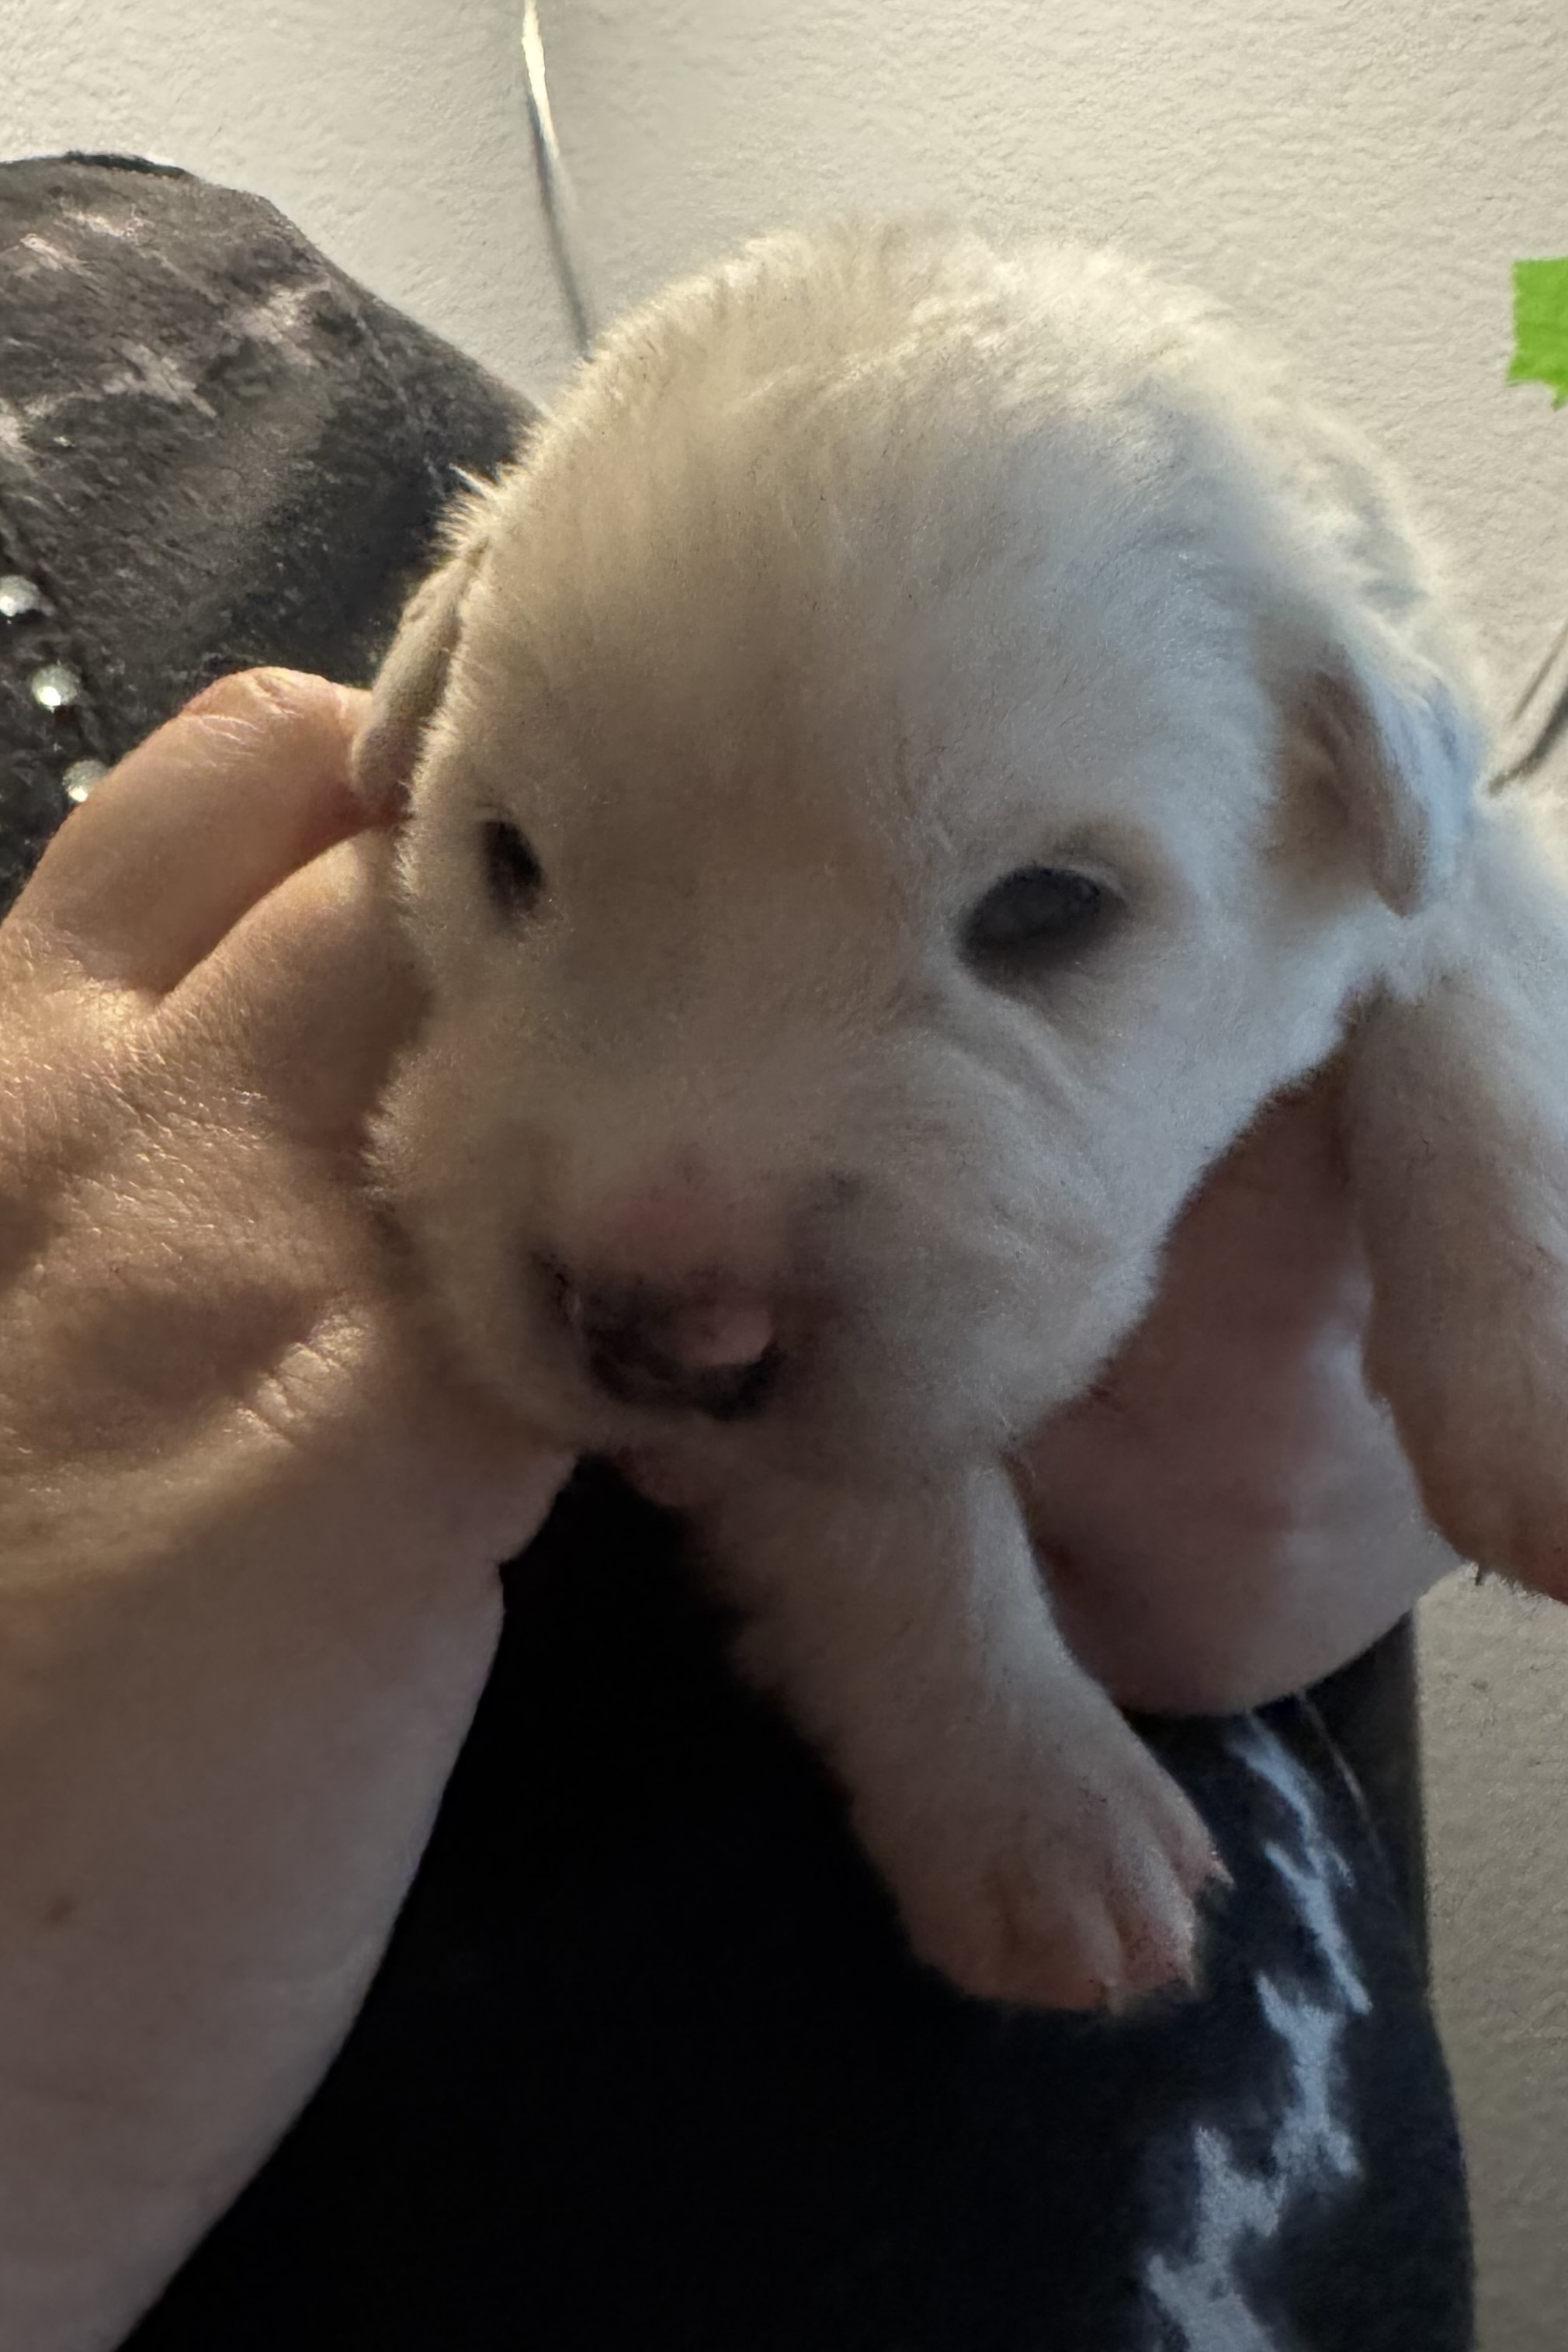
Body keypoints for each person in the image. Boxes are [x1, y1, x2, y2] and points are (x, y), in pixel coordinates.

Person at [0, 154, 1470, 2350]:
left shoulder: (215, 318)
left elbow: (1434, 916)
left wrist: (1445, 1343)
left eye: (1038, 916)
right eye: (513, 865)